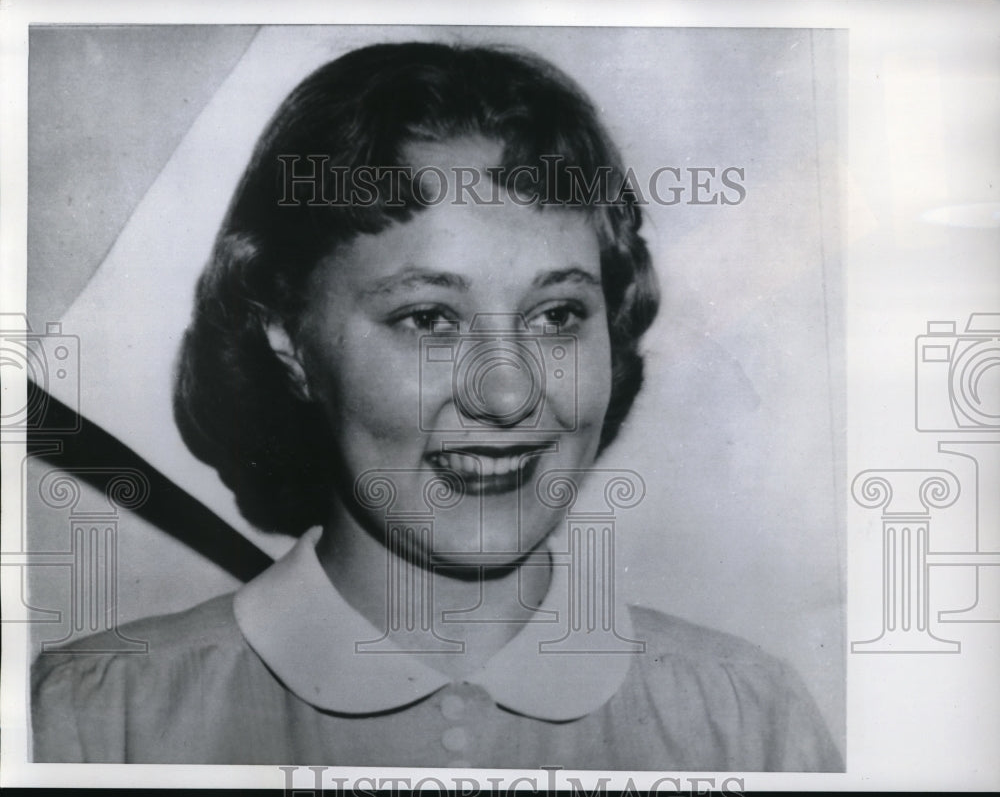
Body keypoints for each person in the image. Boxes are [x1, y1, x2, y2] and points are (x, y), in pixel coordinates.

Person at [31, 41, 843, 770]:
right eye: (428, 319)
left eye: (557, 314)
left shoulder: (748, 724)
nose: (507, 391)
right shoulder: (98, 723)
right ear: (289, 344)